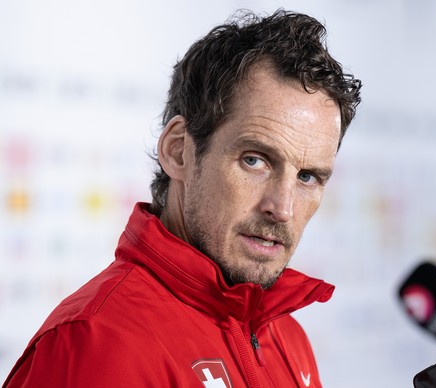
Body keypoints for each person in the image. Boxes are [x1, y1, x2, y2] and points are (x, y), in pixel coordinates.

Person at [3, 9, 361, 388]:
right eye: (254, 160)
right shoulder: (96, 345)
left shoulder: (288, 337)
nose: (282, 208)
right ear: (178, 151)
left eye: (308, 177)